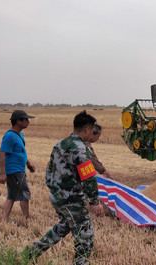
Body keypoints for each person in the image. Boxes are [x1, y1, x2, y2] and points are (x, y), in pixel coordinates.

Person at [29, 111, 104, 265]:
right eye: (93, 130)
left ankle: (33, 251)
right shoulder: (81, 149)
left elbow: (49, 171)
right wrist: (95, 201)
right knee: (85, 233)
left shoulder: (60, 144)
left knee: (64, 226)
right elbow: (88, 177)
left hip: (57, 197)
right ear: (87, 130)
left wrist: (55, 191)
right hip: (73, 200)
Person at [0, 110, 36, 220]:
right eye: (26, 119)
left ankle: (4, 219)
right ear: (18, 121)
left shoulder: (19, 134)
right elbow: (2, 154)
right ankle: (26, 218)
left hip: (19, 169)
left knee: (12, 196)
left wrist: (28, 164)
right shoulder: (9, 136)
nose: (28, 121)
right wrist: (2, 173)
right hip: (15, 170)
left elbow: (20, 151)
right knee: (25, 194)